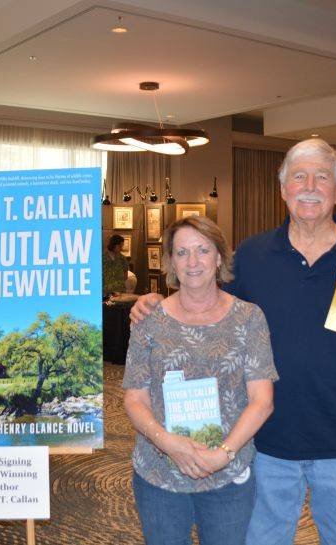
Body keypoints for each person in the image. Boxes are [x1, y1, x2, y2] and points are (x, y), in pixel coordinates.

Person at [132, 138, 336, 545]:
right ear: (283, 190)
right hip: (266, 444)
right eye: (299, 176)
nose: (310, 185)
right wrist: (155, 301)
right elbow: (202, 298)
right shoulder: (252, 255)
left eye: (322, 177)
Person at [123, 216, 277, 545]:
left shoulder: (249, 318)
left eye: (202, 250)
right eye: (182, 253)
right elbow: (135, 399)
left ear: (219, 257)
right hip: (159, 474)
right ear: (171, 262)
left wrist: (223, 453)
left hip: (227, 476)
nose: (193, 262)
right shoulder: (149, 320)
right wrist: (166, 443)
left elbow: (262, 400)